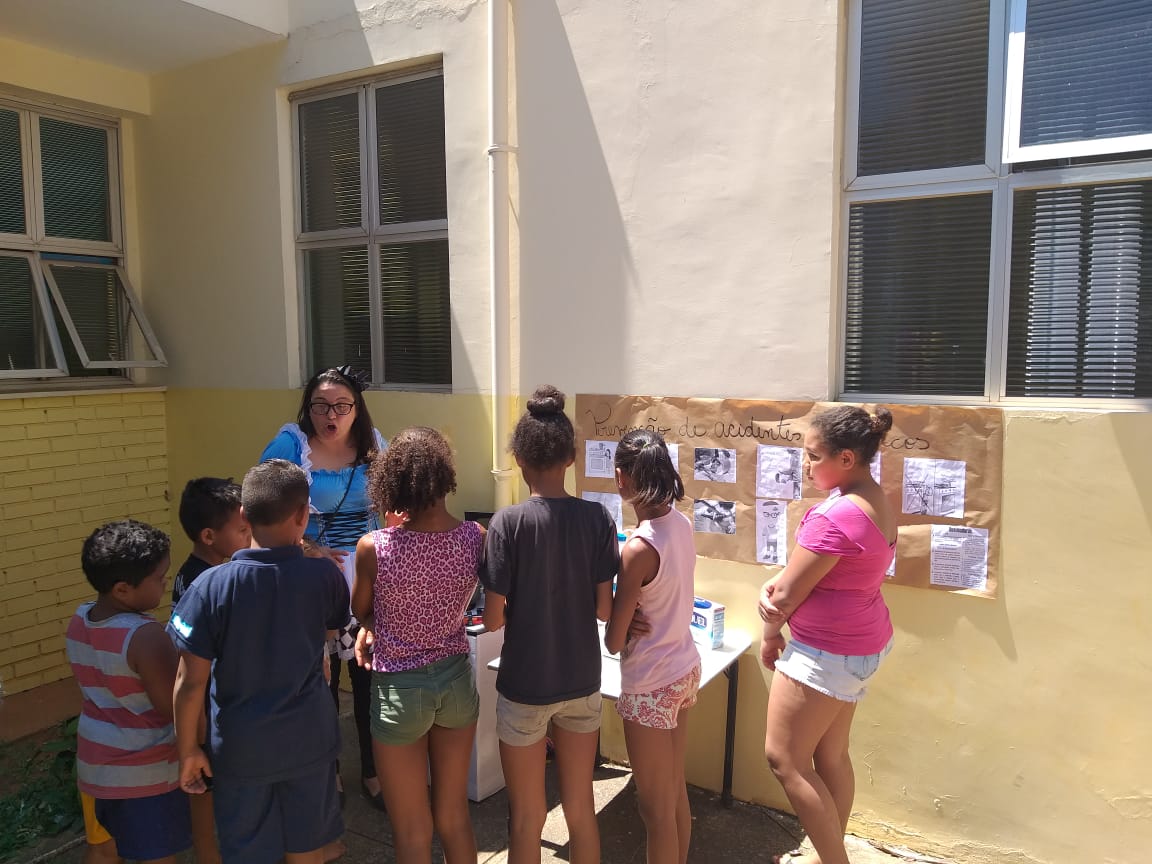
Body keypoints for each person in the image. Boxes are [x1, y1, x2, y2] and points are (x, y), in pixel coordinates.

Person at [169, 460, 350, 864]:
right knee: (307, 850)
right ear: (303, 516)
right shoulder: (326, 576)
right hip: (309, 742)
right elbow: (327, 636)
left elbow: (189, 682)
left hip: (240, 750)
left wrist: (188, 751)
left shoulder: (209, 587)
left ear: (244, 515)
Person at [480, 386, 618, 864]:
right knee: (581, 809)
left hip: (525, 684)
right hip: (582, 680)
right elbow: (604, 611)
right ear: (571, 458)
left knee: (527, 817)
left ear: (518, 459)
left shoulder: (506, 523)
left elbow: (492, 619)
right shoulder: (597, 518)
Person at [757, 407, 896, 864]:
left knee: (785, 759)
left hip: (826, 653)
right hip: (861, 645)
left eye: (814, 456)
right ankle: (826, 856)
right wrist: (780, 586)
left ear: (847, 458)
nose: (806, 465)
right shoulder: (875, 499)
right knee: (831, 756)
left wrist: (770, 633)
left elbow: (784, 596)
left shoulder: (833, 515)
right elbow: (823, 571)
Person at [350, 427, 483, 864]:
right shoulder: (475, 537)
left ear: (392, 484)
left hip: (398, 690)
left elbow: (361, 609)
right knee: (454, 818)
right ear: (445, 477)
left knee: (411, 831)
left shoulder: (374, 547)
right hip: (456, 682)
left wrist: (373, 626)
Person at [260, 365, 386, 808]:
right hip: (311, 579)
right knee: (322, 683)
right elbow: (262, 509)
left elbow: (393, 504)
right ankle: (328, 771)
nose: (331, 415)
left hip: (367, 578)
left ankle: (373, 770)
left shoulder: (375, 445)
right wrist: (306, 546)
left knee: (370, 678)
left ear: (357, 408)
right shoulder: (290, 445)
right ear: (308, 408)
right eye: (321, 405)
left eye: (341, 406)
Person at [64, 520, 192, 864]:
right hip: (144, 775)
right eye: (159, 578)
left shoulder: (80, 619)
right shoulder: (145, 636)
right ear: (122, 589)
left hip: (95, 765)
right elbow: (172, 707)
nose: (165, 583)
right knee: (157, 855)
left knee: (103, 850)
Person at [604, 430, 699, 864]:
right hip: (683, 669)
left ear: (621, 477)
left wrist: (619, 615)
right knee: (673, 793)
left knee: (654, 811)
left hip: (650, 685)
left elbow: (613, 640)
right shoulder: (681, 523)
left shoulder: (638, 549)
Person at [171, 477, 250, 605]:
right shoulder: (213, 583)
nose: (250, 535)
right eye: (243, 530)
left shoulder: (186, 572)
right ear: (208, 536)